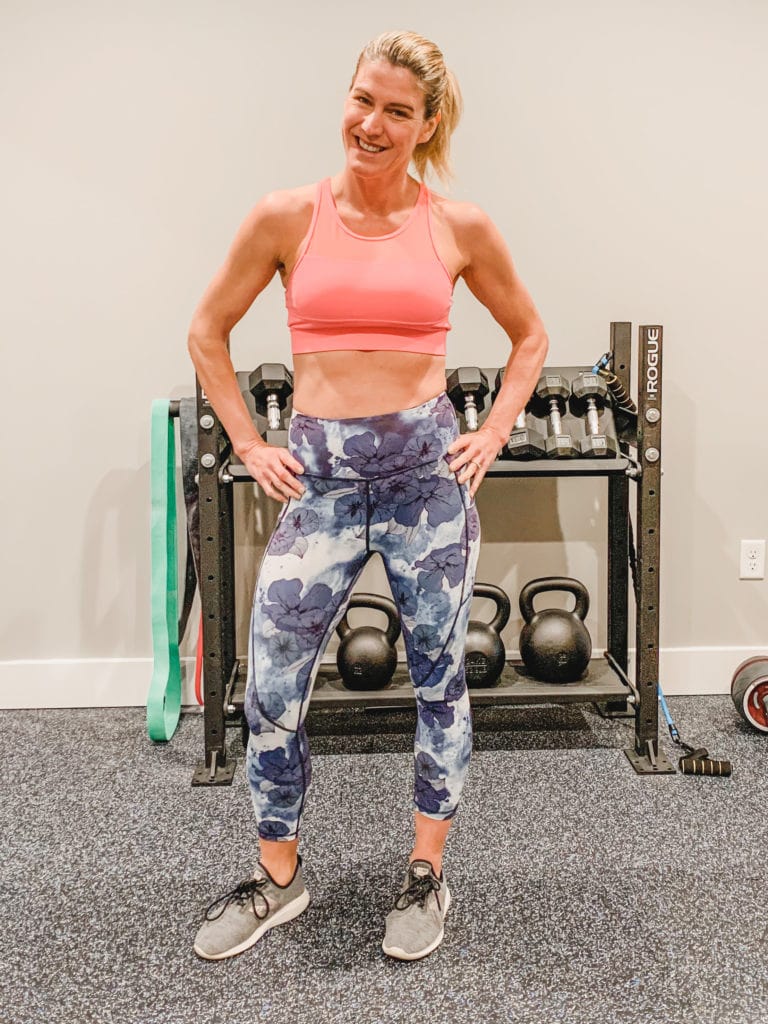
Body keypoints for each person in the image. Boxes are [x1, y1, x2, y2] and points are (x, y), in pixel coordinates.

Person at [189, 30, 548, 962]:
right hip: (322, 483)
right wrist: (248, 443)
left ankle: (427, 874)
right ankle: (277, 879)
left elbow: (531, 338)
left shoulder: (458, 227)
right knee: (270, 685)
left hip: (426, 486)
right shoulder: (286, 217)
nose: (371, 123)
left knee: (439, 675)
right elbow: (206, 332)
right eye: (362, 99)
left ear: (427, 126)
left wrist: (496, 430)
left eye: (396, 110)